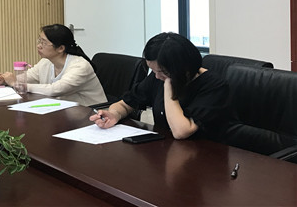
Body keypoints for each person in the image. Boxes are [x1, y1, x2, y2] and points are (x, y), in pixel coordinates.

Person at [90, 32, 229, 141]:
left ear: (182, 68)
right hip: (166, 149)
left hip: (205, 156)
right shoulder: (159, 76)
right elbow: (125, 104)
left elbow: (181, 131)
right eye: (153, 70)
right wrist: (114, 114)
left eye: (161, 71)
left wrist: (169, 85)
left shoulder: (214, 86)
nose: (156, 76)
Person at [0, 24, 107, 106]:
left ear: (61, 48)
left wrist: (17, 85)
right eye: (39, 41)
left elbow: (56, 89)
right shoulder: (46, 62)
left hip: (91, 113)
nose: (39, 46)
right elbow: (27, 78)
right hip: (64, 111)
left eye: (44, 43)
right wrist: (4, 80)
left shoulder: (80, 66)